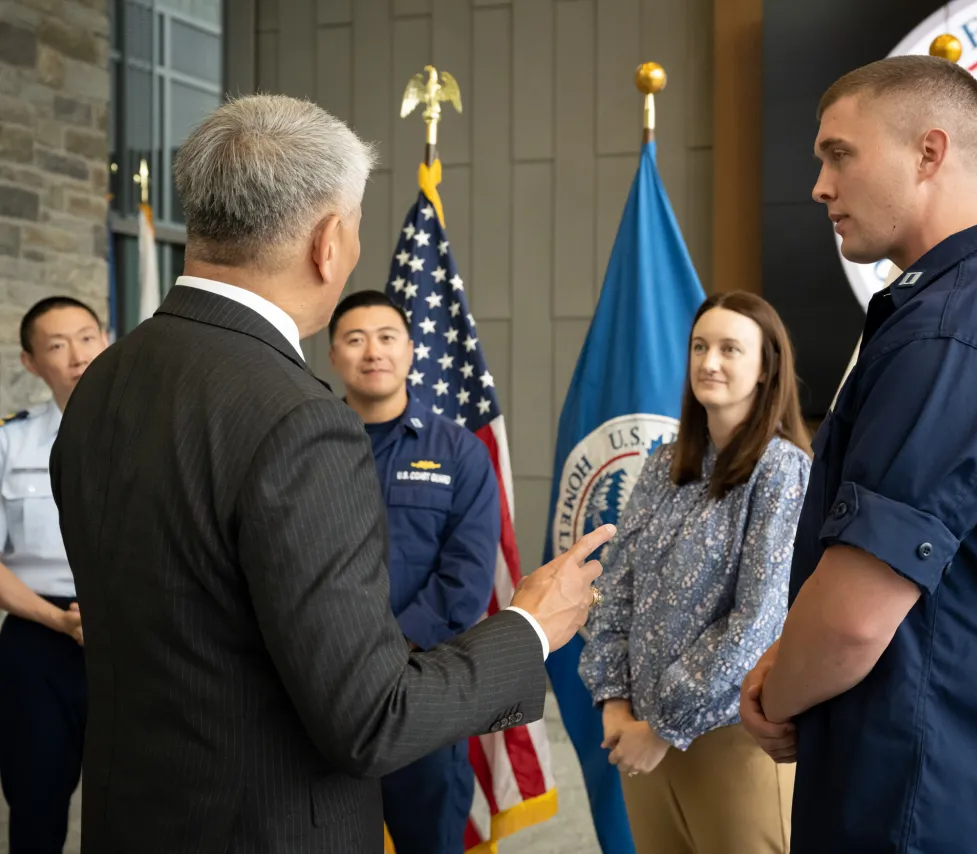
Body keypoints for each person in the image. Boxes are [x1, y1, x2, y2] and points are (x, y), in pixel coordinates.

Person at [48, 93, 611, 854]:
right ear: (329, 241)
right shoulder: (299, 419)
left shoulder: (104, 381)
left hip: (132, 818)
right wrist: (530, 627)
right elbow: (372, 719)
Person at [739, 55, 977, 853]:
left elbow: (853, 619)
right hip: (963, 778)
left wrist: (777, 694)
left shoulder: (957, 328)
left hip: (926, 795)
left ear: (930, 152)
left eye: (839, 153)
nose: (818, 185)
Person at [580, 292, 811, 854]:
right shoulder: (664, 465)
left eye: (731, 349)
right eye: (700, 346)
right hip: (638, 739)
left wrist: (661, 725)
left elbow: (759, 622)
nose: (710, 362)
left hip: (729, 739)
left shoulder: (782, 471)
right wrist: (615, 700)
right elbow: (614, 589)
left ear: (766, 369)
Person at [328, 290, 499, 853]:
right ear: (332, 355)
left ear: (411, 350)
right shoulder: (305, 443)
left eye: (386, 337)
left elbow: (467, 575)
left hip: (419, 687)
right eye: (355, 339)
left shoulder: (459, 452)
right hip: (321, 683)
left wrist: (394, 647)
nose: (372, 351)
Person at [0, 297, 107, 853]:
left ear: (107, 339)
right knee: (36, 801)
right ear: (29, 361)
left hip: (132, 636)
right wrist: (59, 622)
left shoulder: (154, 433)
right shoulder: (8, 442)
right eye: (57, 345)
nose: (76, 355)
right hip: (37, 639)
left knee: (142, 801)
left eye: (87, 337)